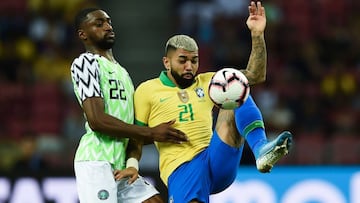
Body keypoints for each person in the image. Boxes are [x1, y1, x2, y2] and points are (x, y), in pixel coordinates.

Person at [131, 1, 293, 202]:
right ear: (167, 62)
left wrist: (257, 34)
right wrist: (134, 162)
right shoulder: (147, 90)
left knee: (235, 86)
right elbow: (134, 138)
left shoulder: (210, 82)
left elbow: (255, 75)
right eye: (182, 61)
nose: (190, 66)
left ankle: (260, 149)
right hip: (181, 167)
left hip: (216, 160)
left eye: (194, 60)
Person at [70, 8, 188, 203]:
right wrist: (151, 133)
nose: (108, 27)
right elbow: (97, 120)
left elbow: (133, 130)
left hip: (122, 165)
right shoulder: (85, 63)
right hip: (97, 162)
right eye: (99, 24)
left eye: (108, 22)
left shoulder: (122, 72)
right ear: (83, 34)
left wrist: (162, 135)